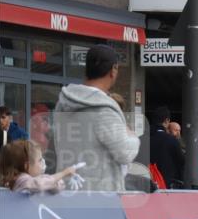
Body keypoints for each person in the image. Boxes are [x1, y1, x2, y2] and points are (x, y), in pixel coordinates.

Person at [51, 44, 139, 192]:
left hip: (68, 192)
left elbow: (56, 145)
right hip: (101, 197)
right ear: (113, 70)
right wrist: (133, 137)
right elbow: (125, 153)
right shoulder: (104, 109)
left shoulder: (63, 103)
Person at [0, 139, 76, 193]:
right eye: (39, 160)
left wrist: (54, 183)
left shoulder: (31, 181)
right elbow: (39, 184)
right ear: (26, 166)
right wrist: (63, 173)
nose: (43, 162)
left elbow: (56, 186)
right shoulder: (21, 180)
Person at [149, 106, 185, 188]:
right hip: (167, 184)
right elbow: (181, 161)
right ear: (167, 121)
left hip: (147, 183)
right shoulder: (171, 139)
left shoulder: (144, 138)